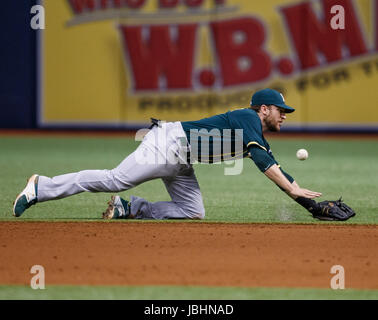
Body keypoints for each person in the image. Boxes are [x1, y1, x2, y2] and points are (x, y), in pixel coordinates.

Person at [13, 88, 323, 220]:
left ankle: (130, 209)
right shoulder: (248, 118)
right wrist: (294, 192)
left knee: (192, 211)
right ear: (265, 109)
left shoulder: (254, 128)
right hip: (168, 144)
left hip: (182, 158)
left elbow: (271, 162)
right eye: (281, 111)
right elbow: (264, 162)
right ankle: (42, 187)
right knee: (115, 179)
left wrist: (304, 198)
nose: (284, 116)